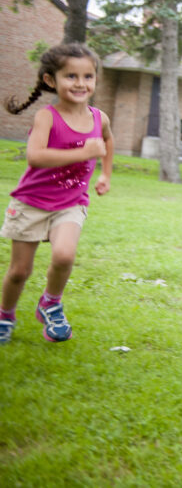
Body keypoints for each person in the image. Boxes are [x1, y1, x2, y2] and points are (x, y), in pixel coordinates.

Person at [0, 43, 114, 344]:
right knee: (19, 271)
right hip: (31, 203)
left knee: (64, 255)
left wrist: (105, 173)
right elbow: (35, 157)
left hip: (70, 202)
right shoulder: (47, 117)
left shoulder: (99, 118)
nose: (80, 84)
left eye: (88, 76)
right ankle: (5, 315)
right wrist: (82, 154)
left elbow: (107, 141)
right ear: (51, 80)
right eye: (71, 76)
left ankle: (50, 302)